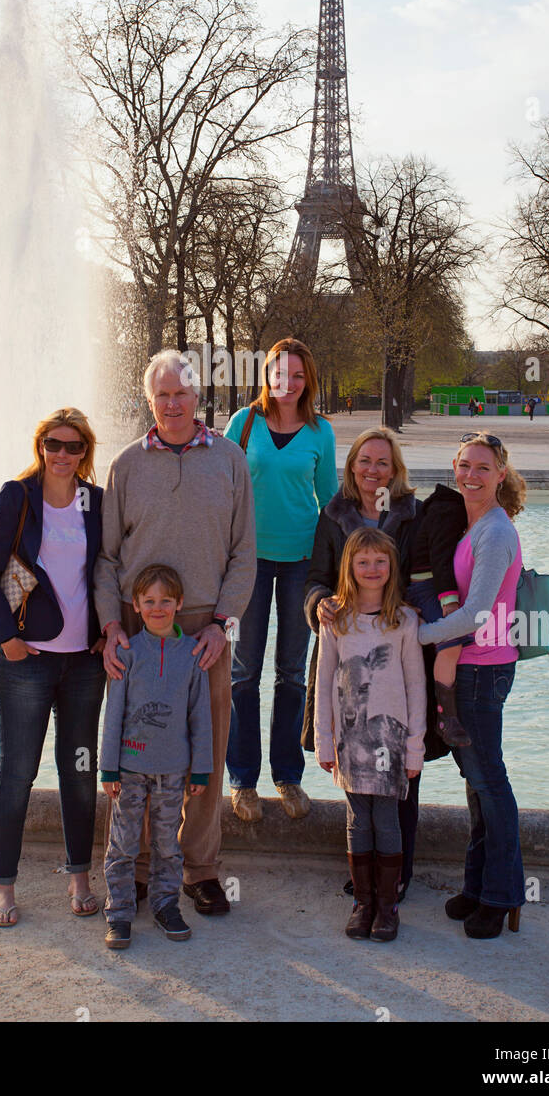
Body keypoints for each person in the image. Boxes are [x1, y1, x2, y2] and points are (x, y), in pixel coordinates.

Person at [95, 351, 256, 918]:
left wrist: (222, 624)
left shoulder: (231, 461)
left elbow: (244, 555)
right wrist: (112, 624)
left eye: (180, 394)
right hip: (139, 626)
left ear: (197, 397)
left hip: (205, 626)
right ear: (149, 400)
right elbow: (108, 557)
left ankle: (200, 867)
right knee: (140, 745)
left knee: (204, 748)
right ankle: (137, 866)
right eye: (161, 395)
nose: (171, 404)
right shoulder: (126, 465)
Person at [0, 407, 106, 929]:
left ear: (85, 452)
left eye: (74, 447)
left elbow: (109, 570)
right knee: (18, 772)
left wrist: (107, 630)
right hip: (25, 661)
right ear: (41, 446)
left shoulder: (96, 502)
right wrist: (8, 642)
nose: (63, 455)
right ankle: (4, 887)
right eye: (54, 444)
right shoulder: (17, 495)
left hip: (84, 663)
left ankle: (79, 877)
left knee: (78, 773)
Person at [302, 425, 444, 899]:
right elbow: (316, 578)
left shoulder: (414, 515)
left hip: (397, 649)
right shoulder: (333, 515)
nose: (373, 470)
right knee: (355, 766)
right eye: (365, 461)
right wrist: (319, 601)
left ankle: (397, 875)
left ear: (395, 469)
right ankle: (364, 871)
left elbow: (426, 574)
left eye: (383, 462)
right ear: (352, 466)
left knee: (401, 768)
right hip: (346, 649)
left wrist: (421, 605)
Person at [417, 431, 526, 939]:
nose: (471, 476)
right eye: (464, 466)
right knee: (477, 786)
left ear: (500, 474)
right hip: (471, 668)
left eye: (483, 468)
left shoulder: (496, 532)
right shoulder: (475, 524)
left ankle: (502, 896)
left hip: (484, 668)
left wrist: (415, 635)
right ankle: (478, 885)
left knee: (490, 784)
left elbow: (476, 614)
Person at [224, 338, 337, 822]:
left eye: (296, 375)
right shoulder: (242, 424)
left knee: (292, 673)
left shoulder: (320, 432)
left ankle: (288, 776)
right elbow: (220, 489)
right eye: (277, 373)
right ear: (264, 374)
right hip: (247, 560)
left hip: (301, 562)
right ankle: (243, 780)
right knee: (243, 673)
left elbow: (331, 502)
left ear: (307, 379)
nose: (286, 383)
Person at [315, 528, 426, 942]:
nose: (372, 569)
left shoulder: (404, 621)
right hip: (348, 741)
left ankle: (388, 904)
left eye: (380, 561)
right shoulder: (336, 620)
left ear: (392, 567)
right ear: (350, 567)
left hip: (392, 745)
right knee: (357, 820)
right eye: (363, 562)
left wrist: (415, 748)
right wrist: (325, 740)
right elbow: (325, 681)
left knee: (388, 819)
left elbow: (417, 686)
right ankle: (362, 903)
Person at [100, 564, 212, 950]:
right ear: (137, 605)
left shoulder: (192, 655)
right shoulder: (128, 653)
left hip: (173, 773)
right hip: (130, 771)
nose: (158, 607)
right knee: (124, 844)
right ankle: (119, 913)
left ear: (179, 604)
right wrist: (108, 766)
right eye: (149, 601)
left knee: (167, 845)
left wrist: (201, 770)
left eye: (166, 600)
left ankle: (167, 905)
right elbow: (113, 712)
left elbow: (200, 716)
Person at [404, 481, 470, 747]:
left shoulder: (446, 506)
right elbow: (441, 559)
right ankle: (446, 717)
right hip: (426, 586)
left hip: (428, 584)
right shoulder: (450, 511)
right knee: (450, 644)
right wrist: (450, 602)